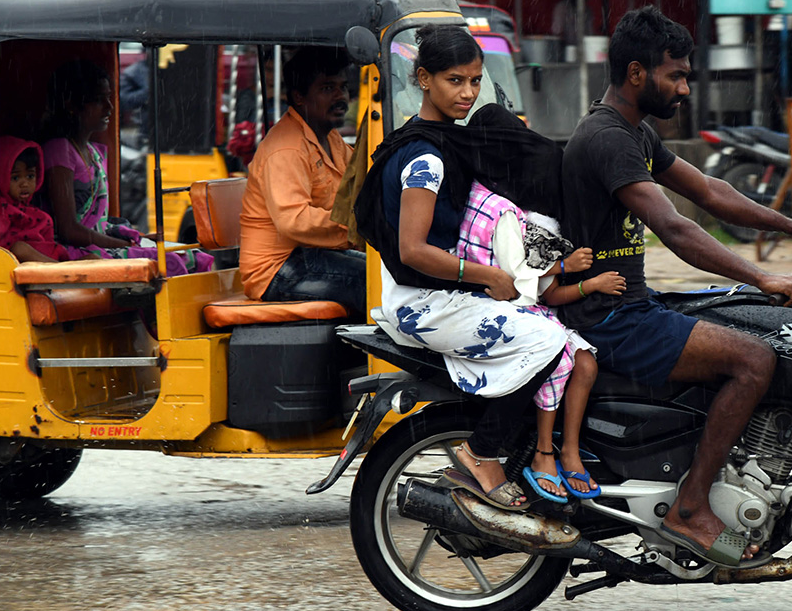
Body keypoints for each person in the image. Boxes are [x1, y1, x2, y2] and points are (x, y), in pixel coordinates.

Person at [559, 6, 792, 565]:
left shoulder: (631, 131)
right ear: (637, 73)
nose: (685, 87)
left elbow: (710, 191)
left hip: (627, 303)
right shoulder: (608, 138)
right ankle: (691, 507)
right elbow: (676, 228)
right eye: (676, 75)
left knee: (742, 316)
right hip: (609, 317)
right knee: (754, 360)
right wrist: (762, 274)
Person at [353, 25, 572, 512]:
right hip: (424, 301)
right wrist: (490, 277)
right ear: (424, 79)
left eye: (475, 80)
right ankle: (481, 452)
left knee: (567, 335)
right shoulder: (427, 157)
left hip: (440, 293)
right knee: (547, 342)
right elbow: (413, 251)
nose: (468, 92)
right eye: (455, 80)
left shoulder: (442, 140)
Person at [457, 179, 625, 501]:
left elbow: (548, 296)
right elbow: (546, 293)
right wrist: (578, 275)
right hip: (518, 311)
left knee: (586, 364)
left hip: (539, 313)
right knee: (558, 363)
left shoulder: (542, 225)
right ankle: (543, 451)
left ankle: (570, 452)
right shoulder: (528, 226)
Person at [42, 59, 213, 275]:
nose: (109, 107)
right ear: (71, 105)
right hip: (79, 252)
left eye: (108, 98)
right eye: (98, 100)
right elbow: (68, 229)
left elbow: (100, 222)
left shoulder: (94, 152)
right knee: (175, 262)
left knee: (192, 255)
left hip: (100, 244)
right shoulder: (59, 150)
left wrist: (136, 236)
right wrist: (120, 245)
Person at [238, 46, 367, 317]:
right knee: (371, 283)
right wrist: (357, 227)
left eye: (343, 87)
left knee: (388, 271)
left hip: (311, 255)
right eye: (327, 88)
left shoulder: (331, 139)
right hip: (276, 270)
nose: (340, 97)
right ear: (299, 97)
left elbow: (358, 188)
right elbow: (293, 220)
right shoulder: (286, 148)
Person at [0, 136, 68, 264]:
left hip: (46, 261)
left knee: (93, 258)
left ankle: (62, 270)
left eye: (30, 176)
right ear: (0, 177)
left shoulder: (39, 215)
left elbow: (48, 246)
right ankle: (61, 271)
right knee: (19, 248)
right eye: (16, 178)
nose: (25, 184)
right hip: (15, 263)